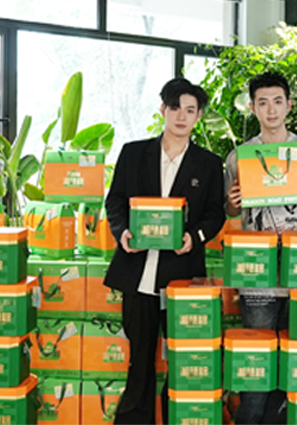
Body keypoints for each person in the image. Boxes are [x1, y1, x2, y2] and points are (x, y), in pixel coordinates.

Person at [104, 77, 226, 425]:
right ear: (163, 110)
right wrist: (123, 232)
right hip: (137, 274)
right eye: (175, 108)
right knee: (139, 361)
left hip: (183, 277)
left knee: (183, 360)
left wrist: (194, 236)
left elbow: (215, 214)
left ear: (198, 116)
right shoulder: (133, 153)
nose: (181, 116)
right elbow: (115, 201)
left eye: (190, 110)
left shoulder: (209, 163)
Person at [224, 71, 297, 425]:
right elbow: (231, 211)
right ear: (252, 108)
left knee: (296, 362)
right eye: (263, 102)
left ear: (289, 105)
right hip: (256, 276)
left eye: (277, 101)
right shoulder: (239, 157)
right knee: (256, 364)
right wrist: (233, 202)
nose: (271, 110)